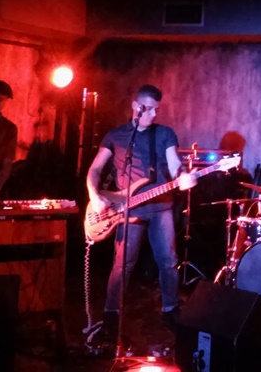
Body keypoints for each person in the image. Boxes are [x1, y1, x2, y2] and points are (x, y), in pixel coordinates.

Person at [85, 84, 195, 348]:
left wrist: (182, 176)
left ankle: (171, 309)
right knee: (122, 264)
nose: (154, 114)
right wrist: (95, 196)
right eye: (150, 109)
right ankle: (111, 316)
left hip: (160, 207)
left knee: (168, 261)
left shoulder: (165, 133)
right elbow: (95, 169)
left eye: (157, 109)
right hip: (126, 208)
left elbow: (174, 164)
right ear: (136, 106)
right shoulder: (116, 136)